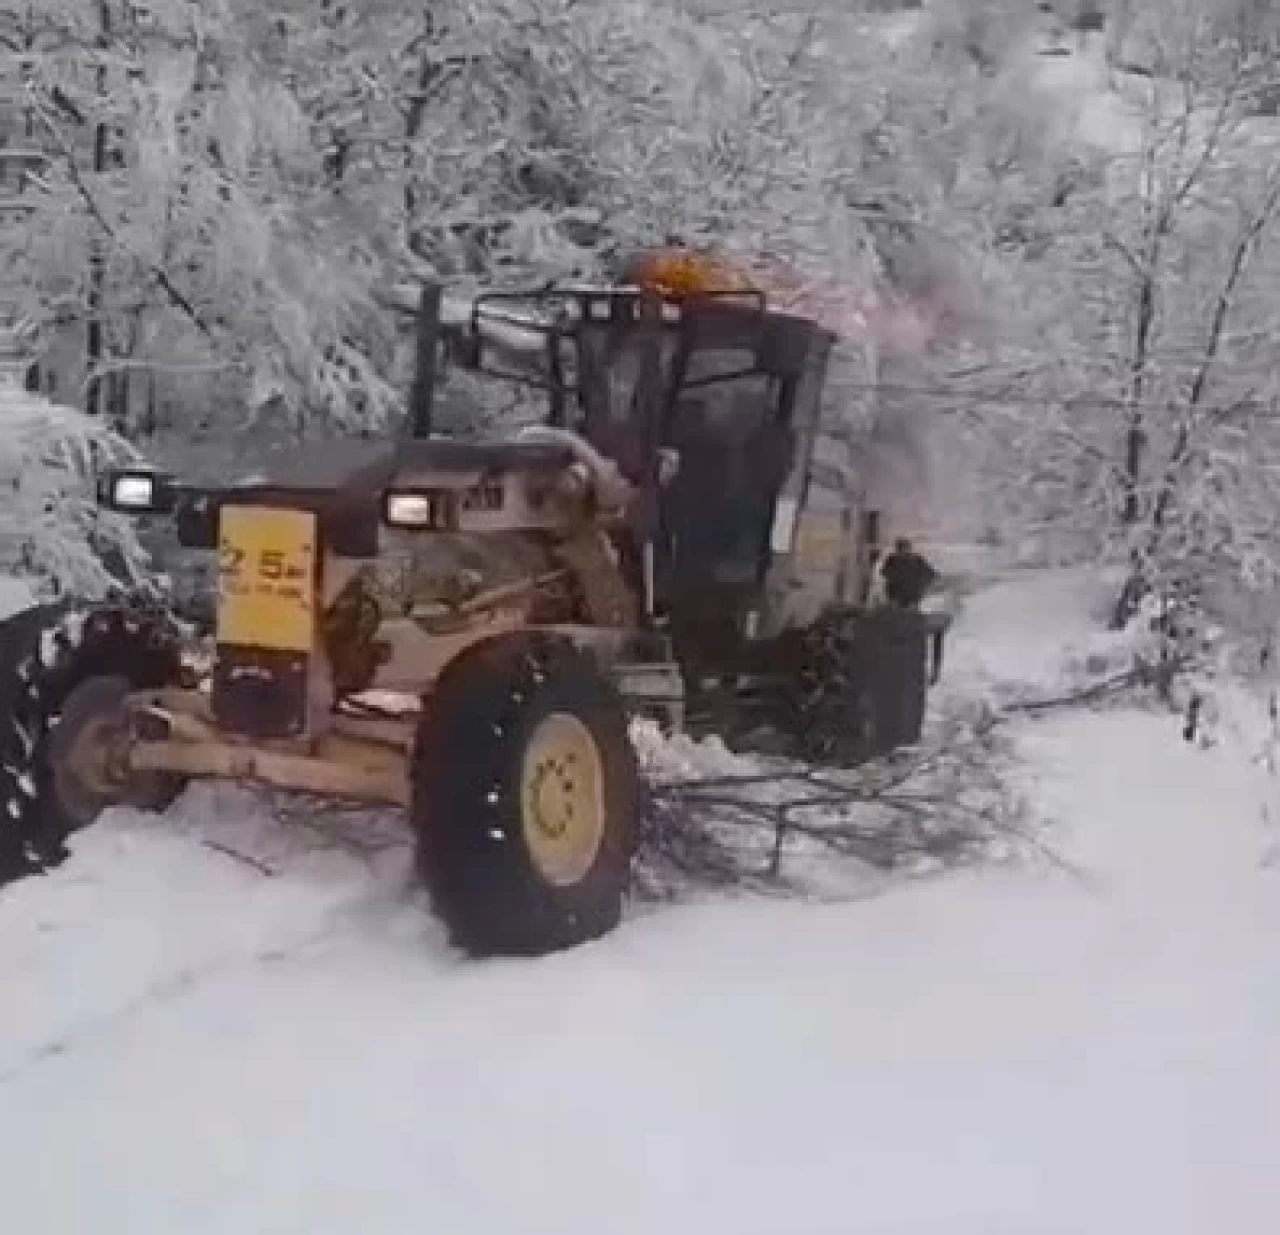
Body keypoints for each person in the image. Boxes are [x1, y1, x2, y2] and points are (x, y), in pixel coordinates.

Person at [879, 537, 938, 609]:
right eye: (900, 549)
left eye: (904, 548)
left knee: (906, 612)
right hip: (899, 594)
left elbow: (931, 573)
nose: (903, 551)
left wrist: (923, 584)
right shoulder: (892, 559)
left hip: (908, 594)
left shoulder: (916, 559)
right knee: (900, 613)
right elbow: (884, 572)